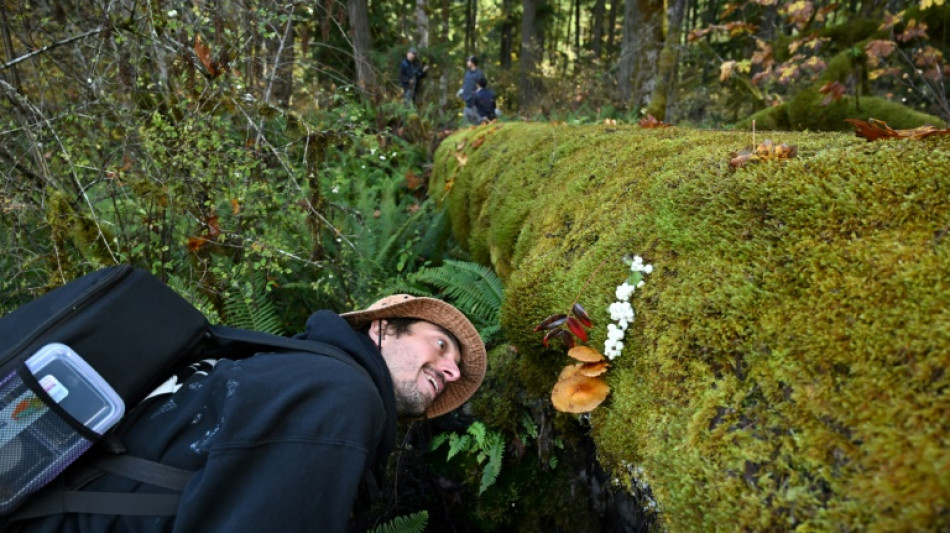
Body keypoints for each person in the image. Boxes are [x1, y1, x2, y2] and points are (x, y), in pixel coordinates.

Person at [10, 294, 487, 532]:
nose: (449, 370)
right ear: (382, 329)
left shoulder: (276, 363)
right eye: (441, 345)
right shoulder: (341, 397)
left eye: (456, 370)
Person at [457, 55, 484, 124]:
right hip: (467, 101)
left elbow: (481, 87)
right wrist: (461, 90)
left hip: (474, 102)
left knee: (478, 121)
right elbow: (465, 83)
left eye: (468, 61)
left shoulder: (479, 73)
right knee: (465, 122)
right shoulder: (468, 73)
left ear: (473, 62)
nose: (467, 62)